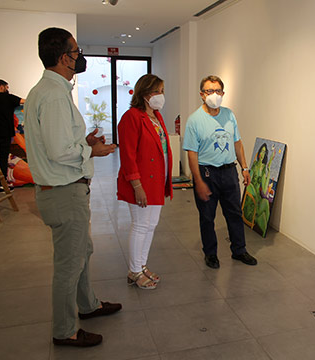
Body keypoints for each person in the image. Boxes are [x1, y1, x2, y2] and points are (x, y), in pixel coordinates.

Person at [24, 27, 121, 347]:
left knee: (82, 252)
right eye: (77, 52)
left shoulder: (53, 91)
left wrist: (84, 142)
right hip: (63, 191)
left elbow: (61, 143)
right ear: (65, 57)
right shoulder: (52, 94)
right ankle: (64, 329)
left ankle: (88, 305)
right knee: (69, 263)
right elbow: (58, 151)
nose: (80, 57)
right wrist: (91, 150)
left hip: (66, 189)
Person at [183, 75, 257, 269]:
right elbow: (192, 153)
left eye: (218, 91)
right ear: (201, 94)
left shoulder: (229, 115)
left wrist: (244, 167)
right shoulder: (194, 120)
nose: (214, 95)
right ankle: (210, 253)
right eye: (209, 91)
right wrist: (197, 180)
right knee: (207, 216)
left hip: (229, 172)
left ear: (223, 93)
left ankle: (239, 250)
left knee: (234, 213)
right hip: (207, 173)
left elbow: (237, 142)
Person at [117, 74, 173, 290]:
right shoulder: (132, 117)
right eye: (157, 91)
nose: (161, 96)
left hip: (157, 181)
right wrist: (137, 186)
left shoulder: (156, 116)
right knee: (140, 226)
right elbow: (128, 156)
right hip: (141, 183)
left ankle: (141, 265)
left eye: (162, 91)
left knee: (150, 226)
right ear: (144, 94)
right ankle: (134, 271)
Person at [242, 142, 275, 236]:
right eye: (262, 151)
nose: (262, 154)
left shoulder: (264, 168)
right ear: (259, 153)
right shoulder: (255, 164)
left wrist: (268, 174)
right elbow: (249, 182)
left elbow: (264, 189)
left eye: (264, 152)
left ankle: (264, 233)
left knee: (266, 205)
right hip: (251, 199)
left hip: (258, 199)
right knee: (262, 217)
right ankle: (257, 222)